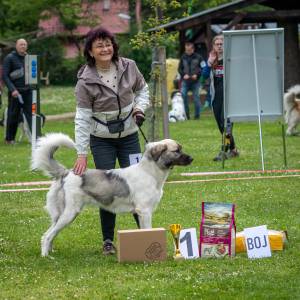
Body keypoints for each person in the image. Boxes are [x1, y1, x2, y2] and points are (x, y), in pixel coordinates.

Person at [73, 27, 149, 255]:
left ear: (114, 46)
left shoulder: (130, 66)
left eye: (108, 44)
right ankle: (108, 241)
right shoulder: (84, 81)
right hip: (101, 140)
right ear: (90, 51)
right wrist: (81, 153)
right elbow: (83, 119)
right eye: (99, 45)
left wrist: (139, 108)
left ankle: (145, 237)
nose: (105, 49)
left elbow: (143, 91)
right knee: (106, 189)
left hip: (129, 136)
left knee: (138, 186)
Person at [202, 35, 239, 161]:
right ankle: (233, 150)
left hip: (230, 96)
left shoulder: (230, 58)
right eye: (217, 44)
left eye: (221, 44)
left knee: (226, 124)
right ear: (213, 46)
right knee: (221, 125)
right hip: (216, 96)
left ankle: (224, 151)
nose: (219, 46)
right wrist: (209, 64)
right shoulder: (212, 59)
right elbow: (203, 77)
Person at [3, 38, 32, 144]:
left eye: (25, 44)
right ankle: (9, 139)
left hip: (28, 91)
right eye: (21, 44)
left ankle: (36, 137)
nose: (23, 46)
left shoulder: (29, 58)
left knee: (31, 114)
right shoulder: (9, 58)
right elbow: (5, 76)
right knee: (13, 116)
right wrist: (12, 90)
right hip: (15, 93)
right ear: (16, 46)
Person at [178, 41, 205, 120]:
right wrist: (183, 75)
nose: (187, 51)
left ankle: (197, 116)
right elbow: (179, 69)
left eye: (189, 50)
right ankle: (187, 116)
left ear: (193, 49)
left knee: (196, 98)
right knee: (183, 96)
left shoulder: (199, 57)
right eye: (186, 50)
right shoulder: (183, 57)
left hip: (195, 82)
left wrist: (197, 75)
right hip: (185, 82)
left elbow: (203, 68)